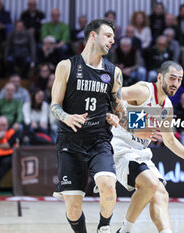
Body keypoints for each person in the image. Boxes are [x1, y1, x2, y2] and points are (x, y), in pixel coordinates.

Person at [109, 61, 184, 233]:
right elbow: (111, 96)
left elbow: (170, 141)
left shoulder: (166, 107)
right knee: (151, 184)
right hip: (120, 148)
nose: (175, 83)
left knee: (161, 194)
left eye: (179, 80)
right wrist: (132, 127)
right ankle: (125, 231)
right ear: (160, 77)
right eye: (172, 78)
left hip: (141, 153)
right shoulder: (144, 91)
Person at [50, 18, 137, 233]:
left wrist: (118, 118)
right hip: (70, 142)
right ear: (93, 35)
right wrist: (66, 117)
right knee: (73, 208)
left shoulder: (113, 72)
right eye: (108, 36)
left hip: (99, 140)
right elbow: (54, 106)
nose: (112, 41)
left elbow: (120, 110)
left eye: (113, 38)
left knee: (108, 184)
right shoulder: (66, 66)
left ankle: (104, 228)